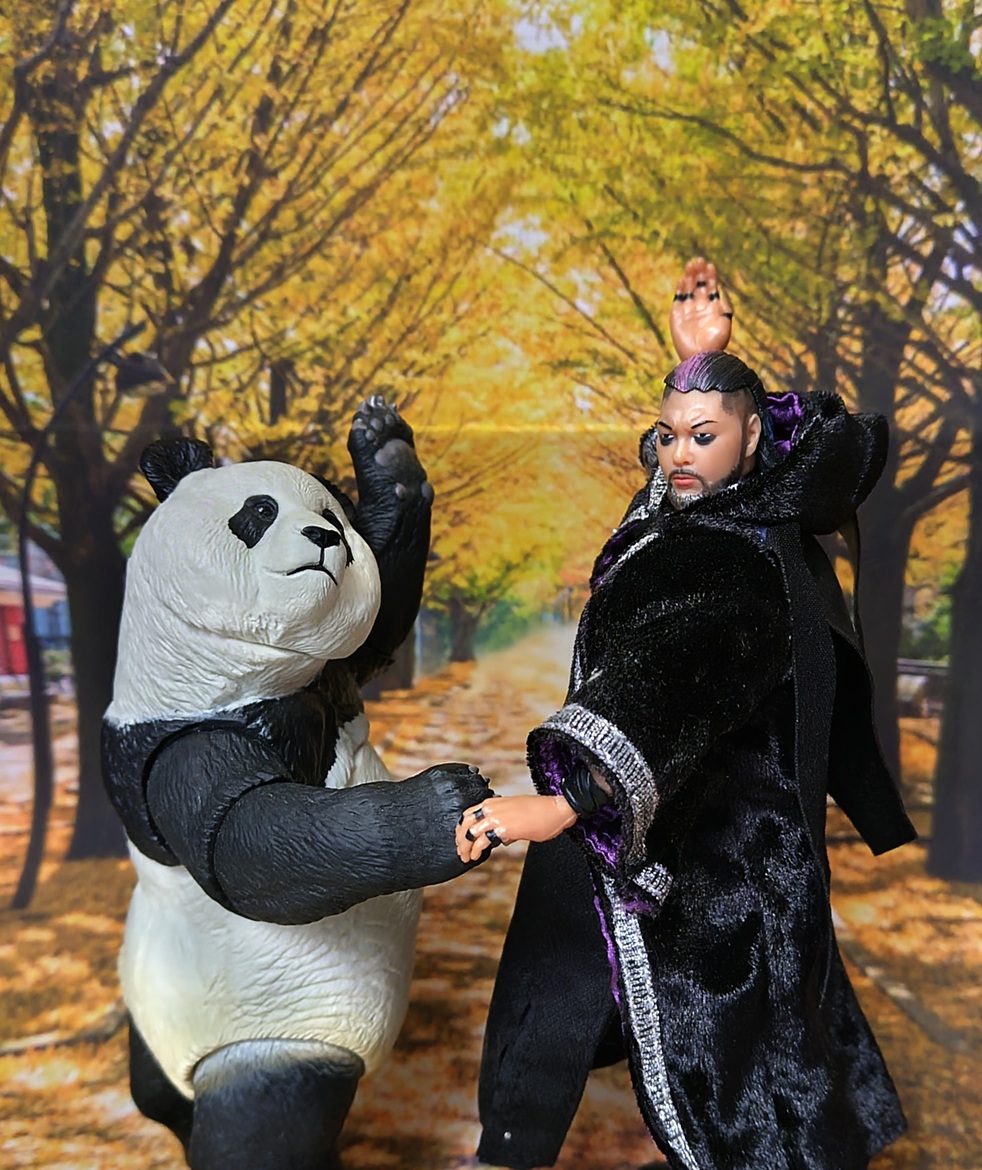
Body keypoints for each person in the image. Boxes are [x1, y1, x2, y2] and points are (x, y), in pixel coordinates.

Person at [455, 258, 916, 1170]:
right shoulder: (723, 521)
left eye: (703, 437)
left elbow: (673, 681)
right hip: (651, 828)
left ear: (754, 439)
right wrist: (697, 358)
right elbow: (667, 516)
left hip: (717, 862)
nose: (677, 456)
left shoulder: (736, 561)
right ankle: (510, 1144)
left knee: (744, 1090)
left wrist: (564, 802)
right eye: (666, 436)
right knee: (555, 1007)